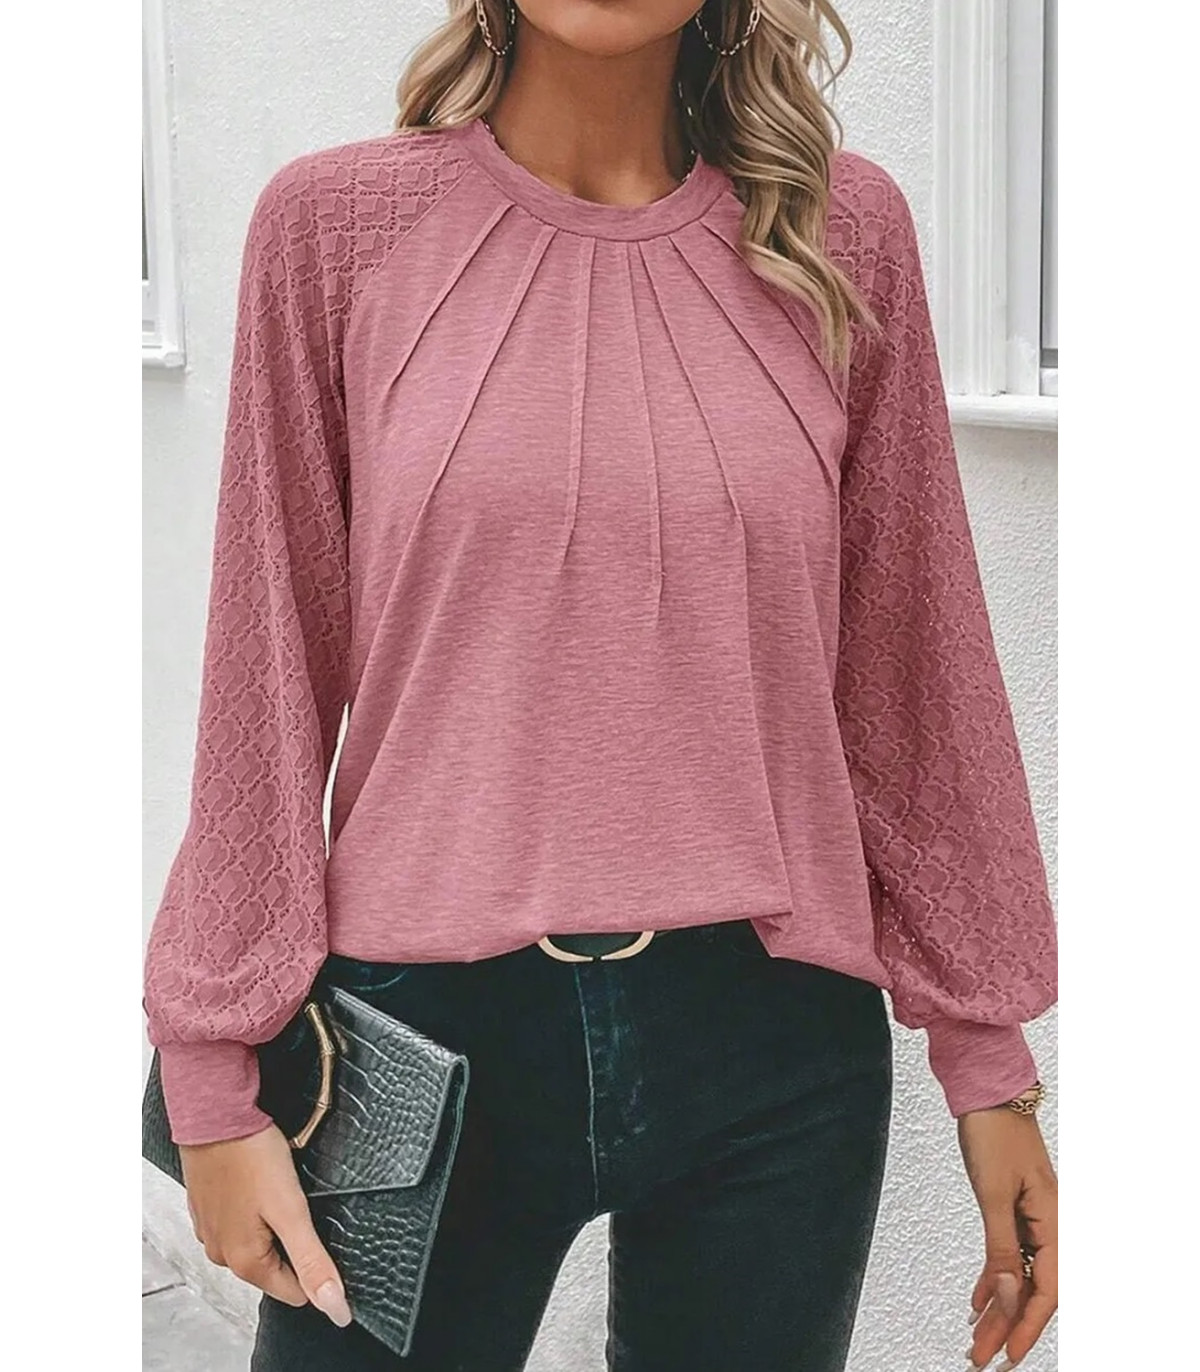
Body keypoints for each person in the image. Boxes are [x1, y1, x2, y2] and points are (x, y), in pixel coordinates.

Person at [142, 3, 1059, 1370]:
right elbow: (264, 669)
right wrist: (212, 1074)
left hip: (774, 1044)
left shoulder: (840, 231)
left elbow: (913, 664)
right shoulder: (334, 230)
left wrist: (989, 1057)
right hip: (422, 1034)